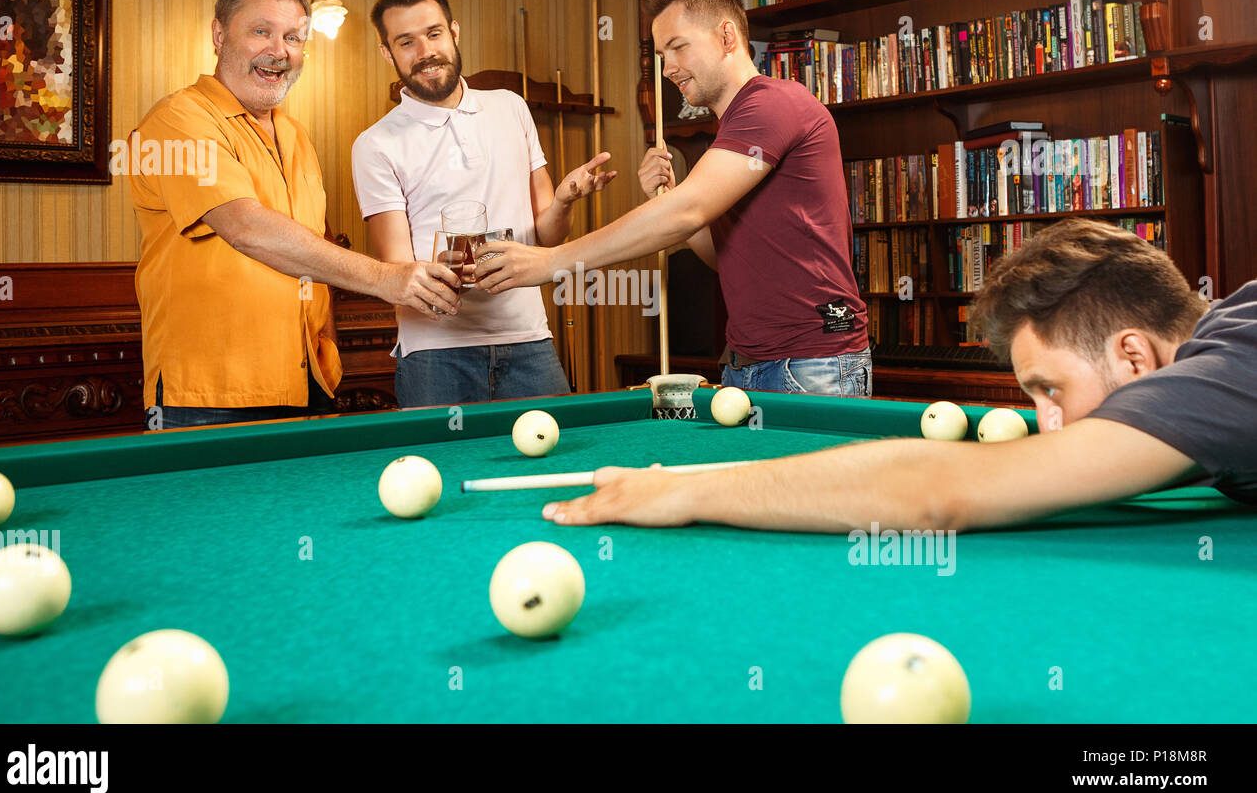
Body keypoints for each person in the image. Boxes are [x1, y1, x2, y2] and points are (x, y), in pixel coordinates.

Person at [532, 219, 1257, 530]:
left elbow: (940, 494)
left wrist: (685, 490)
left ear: (1135, 355)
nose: (1046, 423)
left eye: (1053, 391)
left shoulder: (1229, 374)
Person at [476, 0, 871, 397]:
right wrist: (669, 196)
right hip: (750, 363)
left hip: (811, 363)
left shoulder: (772, 104)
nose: (668, 69)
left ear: (726, 36)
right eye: (662, 54)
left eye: (679, 47)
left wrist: (550, 262)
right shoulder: (732, 132)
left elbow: (686, 213)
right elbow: (724, 257)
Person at [129, 0, 460, 430]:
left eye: (293, 37)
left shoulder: (296, 136)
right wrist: (388, 278)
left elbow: (311, 251)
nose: (279, 50)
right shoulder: (178, 121)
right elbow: (246, 227)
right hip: (208, 393)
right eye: (261, 31)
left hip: (309, 384)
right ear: (219, 35)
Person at [351, 0, 615, 408]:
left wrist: (565, 199)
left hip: (528, 338)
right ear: (387, 52)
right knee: (437, 472)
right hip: (435, 352)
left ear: (454, 32)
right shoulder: (376, 144)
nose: (425, 53)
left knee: (554, 467)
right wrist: (442, 270)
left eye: (434, 34)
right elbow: (396, 269)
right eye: (406, 42)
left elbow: (547, 237)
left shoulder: (510, 106)